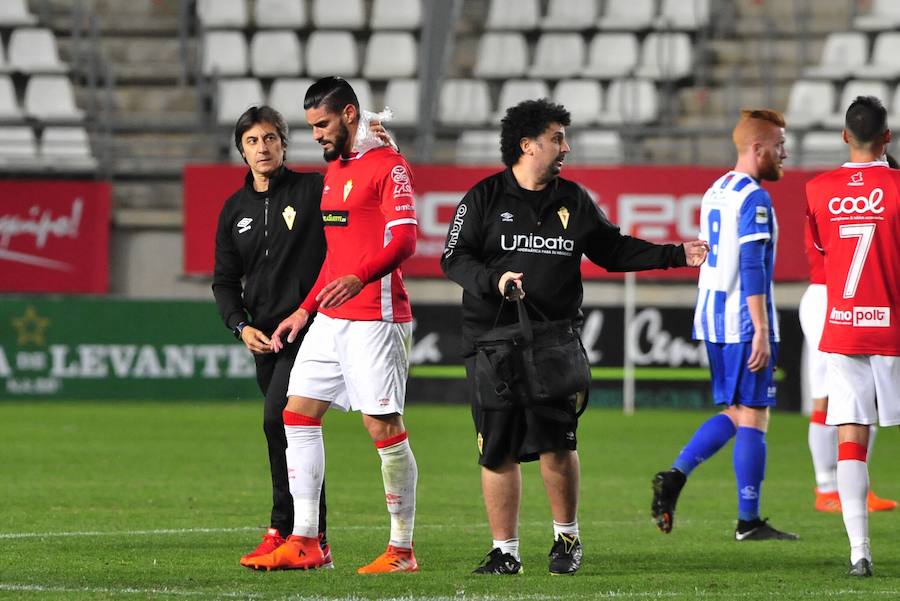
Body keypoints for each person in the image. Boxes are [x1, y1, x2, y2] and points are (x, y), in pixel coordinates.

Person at [440, 98, 709, 576]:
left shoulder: (575, 200)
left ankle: (567, 539)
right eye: (557, 138)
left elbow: (613, 250)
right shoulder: (482, 198)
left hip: (552, 342)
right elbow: (453, 258)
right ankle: (506, 551)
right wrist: (494, 281)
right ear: (527, 145)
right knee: (497, 449)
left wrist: (675, 254)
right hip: (492, 344)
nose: (567, 147)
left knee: (557, 444)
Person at [244, 76, 420, 574]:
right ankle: (305, 541)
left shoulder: (390, 166)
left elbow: (406, 241)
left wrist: (359, 276)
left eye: (322, 124)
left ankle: (402, 550)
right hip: (331, 315)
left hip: (376, 317)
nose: (316, 134)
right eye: (310, 127)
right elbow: (336, 256)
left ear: (348, 115)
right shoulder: (337, 171)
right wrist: (306, 307)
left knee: (382, 427)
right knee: (295, 414)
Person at [651, 109, 799, 542]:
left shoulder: (716, 190)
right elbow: (751, 263)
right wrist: (759, 328)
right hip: (742, 321)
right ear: (758, 148)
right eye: (779, 145)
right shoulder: (754, 197)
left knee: (736, 412)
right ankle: (748, 520)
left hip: (712, 318)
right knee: (754, 416)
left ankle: (675, 476)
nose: (784, 153)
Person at [212, 105, 330, 568]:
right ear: (241, 150)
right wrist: (241, 327)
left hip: (310, 328)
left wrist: (310, 310)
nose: (262, 148)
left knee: (277, 420)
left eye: (270, 139)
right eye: (252, 141)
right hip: (264, 337)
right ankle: (312, 537)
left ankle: (283, 528)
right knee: (296, 435)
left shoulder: (313, 190)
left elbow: (338, 247)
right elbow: (224, 280)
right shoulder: (233, 210)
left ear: (284, 143)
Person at [805, 95, 900, 577]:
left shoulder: (818, 189)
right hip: (893, 328)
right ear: (888, 135)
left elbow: (823, 253)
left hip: (844, 327)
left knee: (851, 439)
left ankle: (859, 552)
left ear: (845, 135)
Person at [799, 221, 896, 513]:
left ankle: (856, 488)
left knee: (865, 396)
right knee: (829, 396)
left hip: (853, 299)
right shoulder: (833, 199)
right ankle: (826, 488)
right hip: (829, 296)